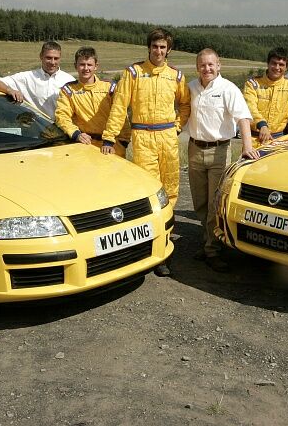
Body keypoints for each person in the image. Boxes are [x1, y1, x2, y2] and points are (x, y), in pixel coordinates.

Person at [101, 28, 191, 277]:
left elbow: (185, 103)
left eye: (163, 47)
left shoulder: (176, 76)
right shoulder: (133, 73)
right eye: (155, 47)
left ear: (168, 50)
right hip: (142, 136)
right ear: (148, 48)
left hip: (167, 137)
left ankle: (166, 245)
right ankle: (148, 248)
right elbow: (119, 106)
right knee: (148, 193)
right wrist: (109, 137)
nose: (159, 51)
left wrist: (177, 126)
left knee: (171, 189)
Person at [185, 49, 260, 272]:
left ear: (219, 65)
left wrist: (247, 146)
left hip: (219, 151)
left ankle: (213, 250)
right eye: (202, 65)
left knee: (214, 203)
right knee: (199, 201)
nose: (207, 69)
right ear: (196, 66)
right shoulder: (191, 87)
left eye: (211, 65)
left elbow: (243, 118)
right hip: (195, 149)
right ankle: (208, 241)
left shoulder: (228, 89)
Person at [54, 47, 130, 155]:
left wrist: (123, 141)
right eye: (82, 64)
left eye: (89, 65)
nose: (86, 68)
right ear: (75, 66)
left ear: (96, 66)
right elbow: (62, 116)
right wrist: (76, 134)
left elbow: (120, 113)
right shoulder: (68, 91)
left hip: (112, 145)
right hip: (85, 144)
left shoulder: (110, 87)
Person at [244, 47, 288, 144]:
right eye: (274, 63)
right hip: (253, 139)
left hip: (278, 140)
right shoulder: (253, 84)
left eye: (281, 65)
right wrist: (262, 125)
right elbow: (250, 108)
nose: (277, 68)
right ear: (268, 64)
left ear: (286, 67)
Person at [0, 41, 75, 118]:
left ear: (60, 58)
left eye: (56, 58)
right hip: (36, 132)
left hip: (63, 132)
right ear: (41, 56)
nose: (52, 62)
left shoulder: (69, 80)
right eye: (48, 58)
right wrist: (10, 90)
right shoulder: (27, 77)